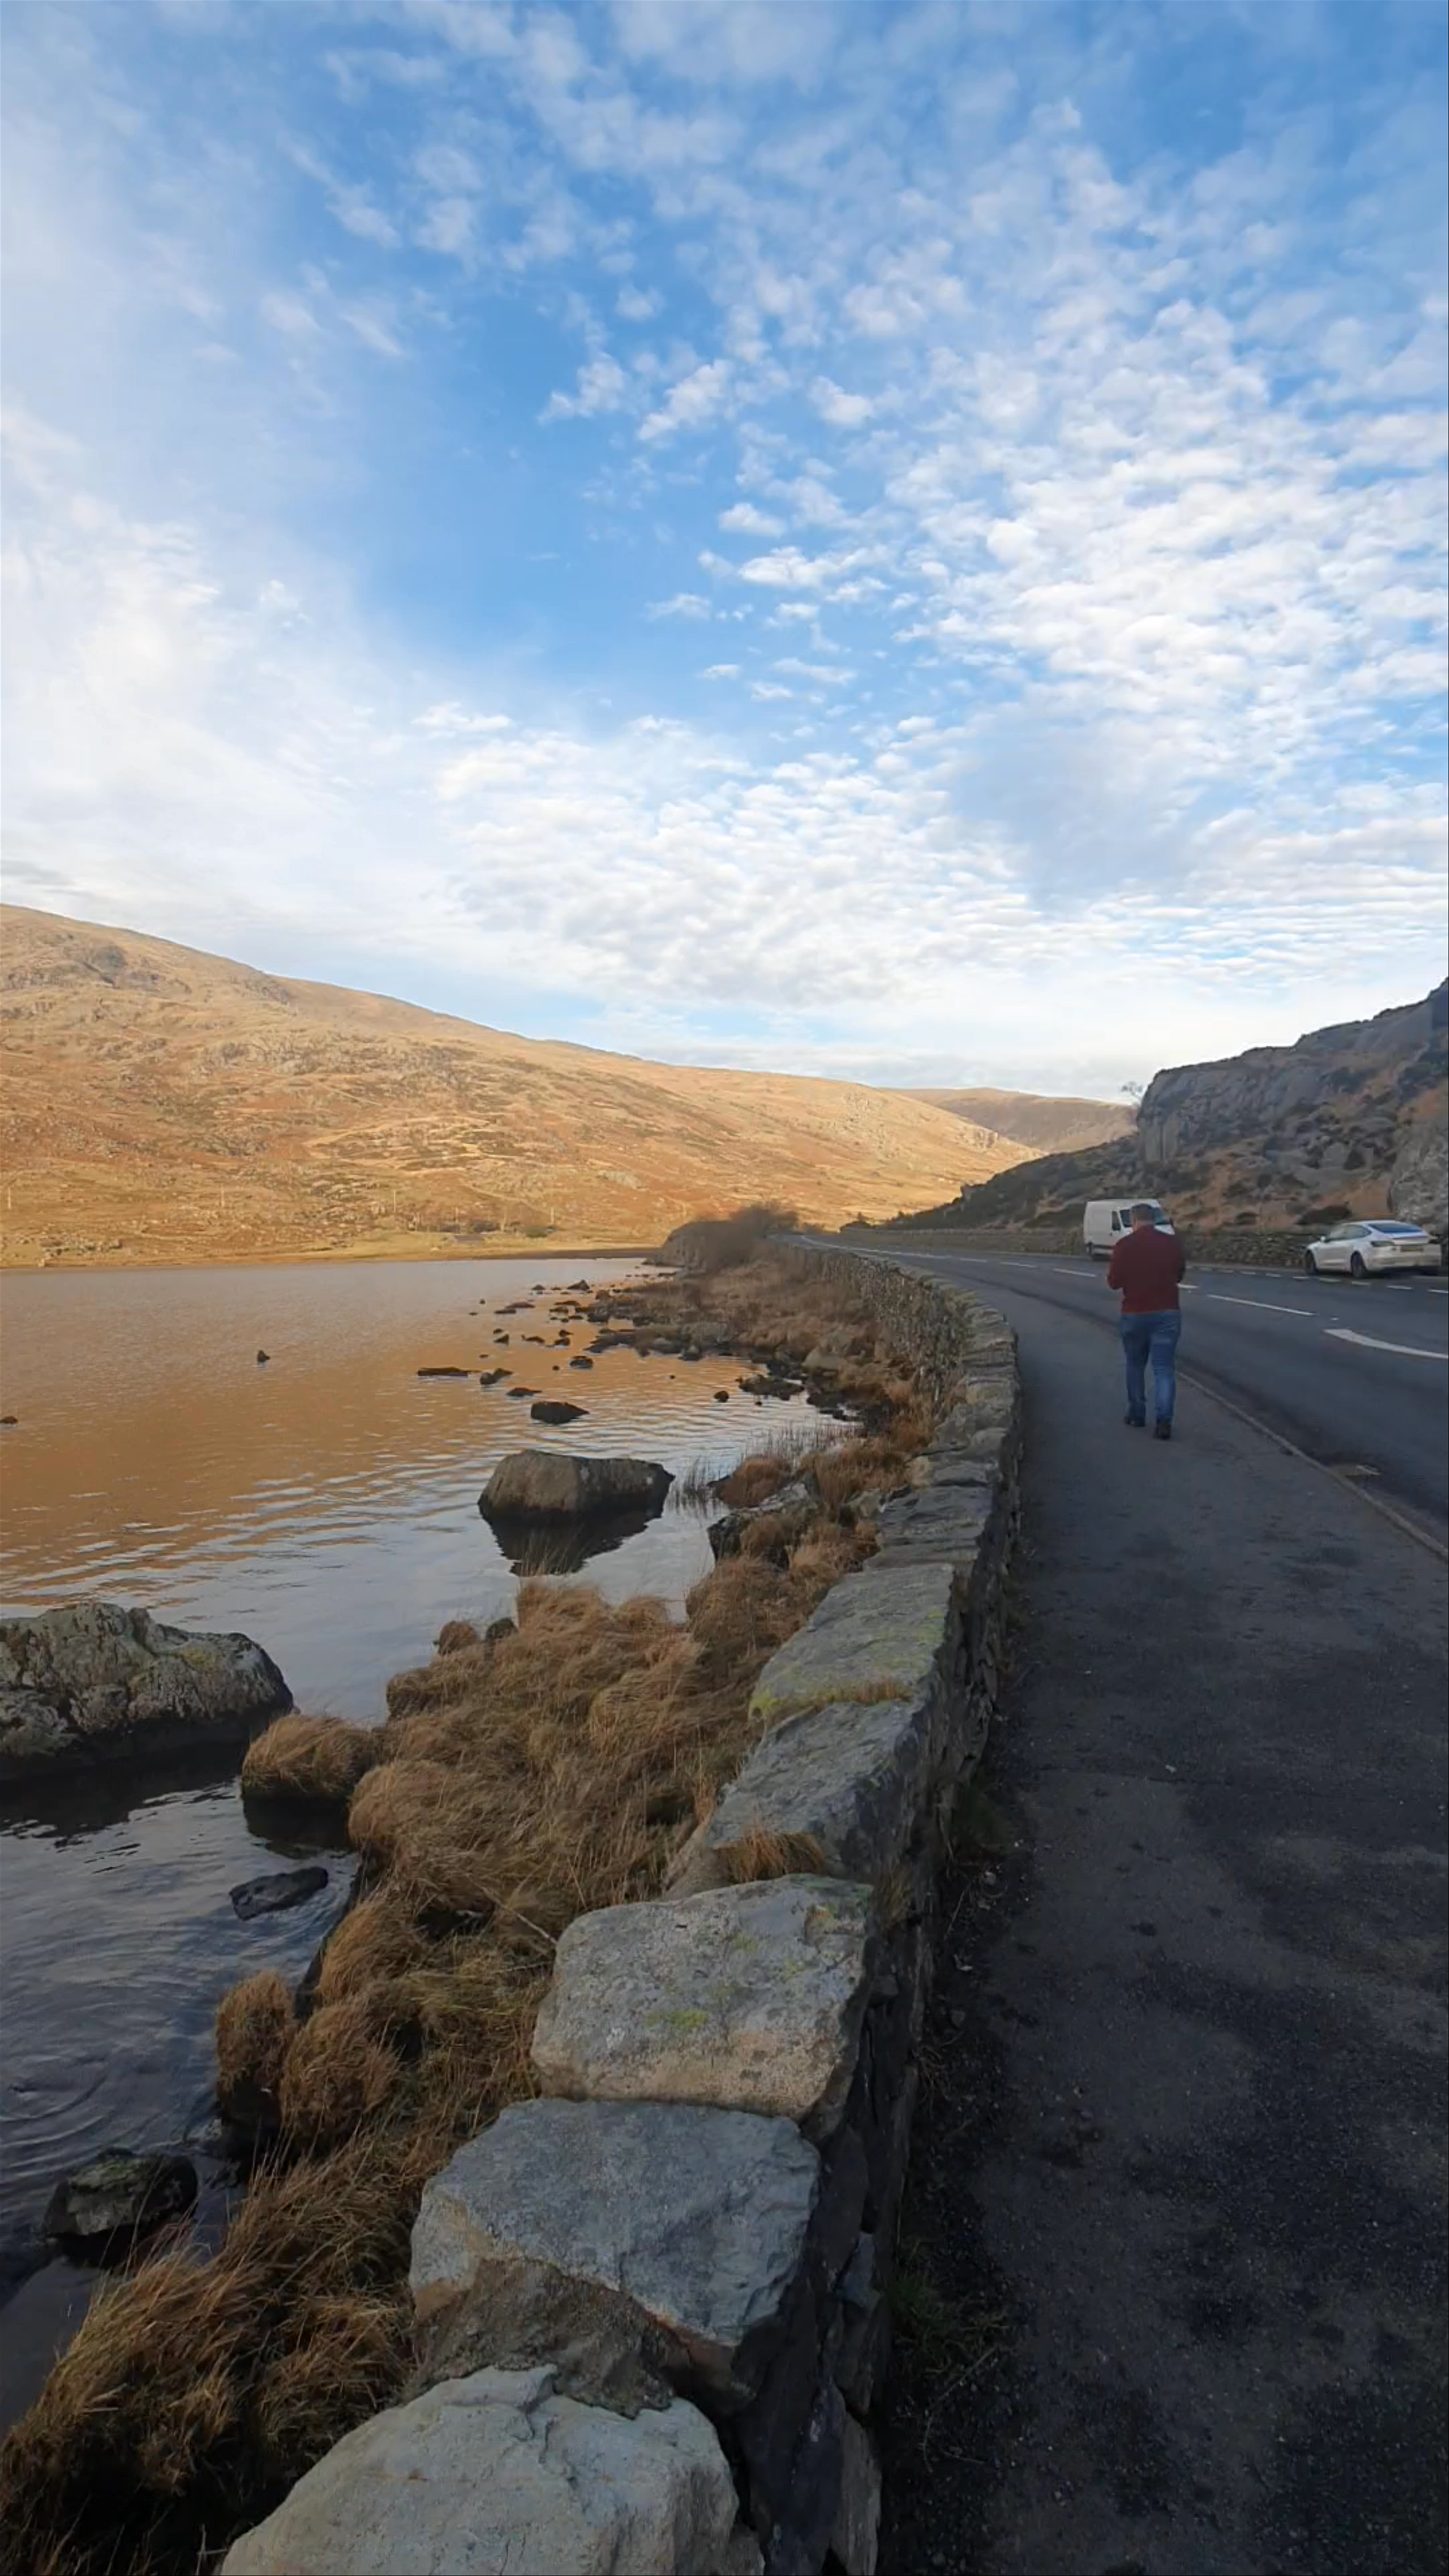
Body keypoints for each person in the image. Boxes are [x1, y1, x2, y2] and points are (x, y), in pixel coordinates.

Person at [1107, 1204, 1186, 1439]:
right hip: (1168, 1312)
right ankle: (1164, 1422)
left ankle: (1137, 1413)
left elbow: (1114, 1283)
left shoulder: (1124, 1246)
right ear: (1154, 1219)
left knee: (1135, 1365)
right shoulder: (1172, 1244)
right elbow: (1180, 1274)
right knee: (1164, 1369)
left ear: (1133, 1221)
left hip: (1135, 1313)